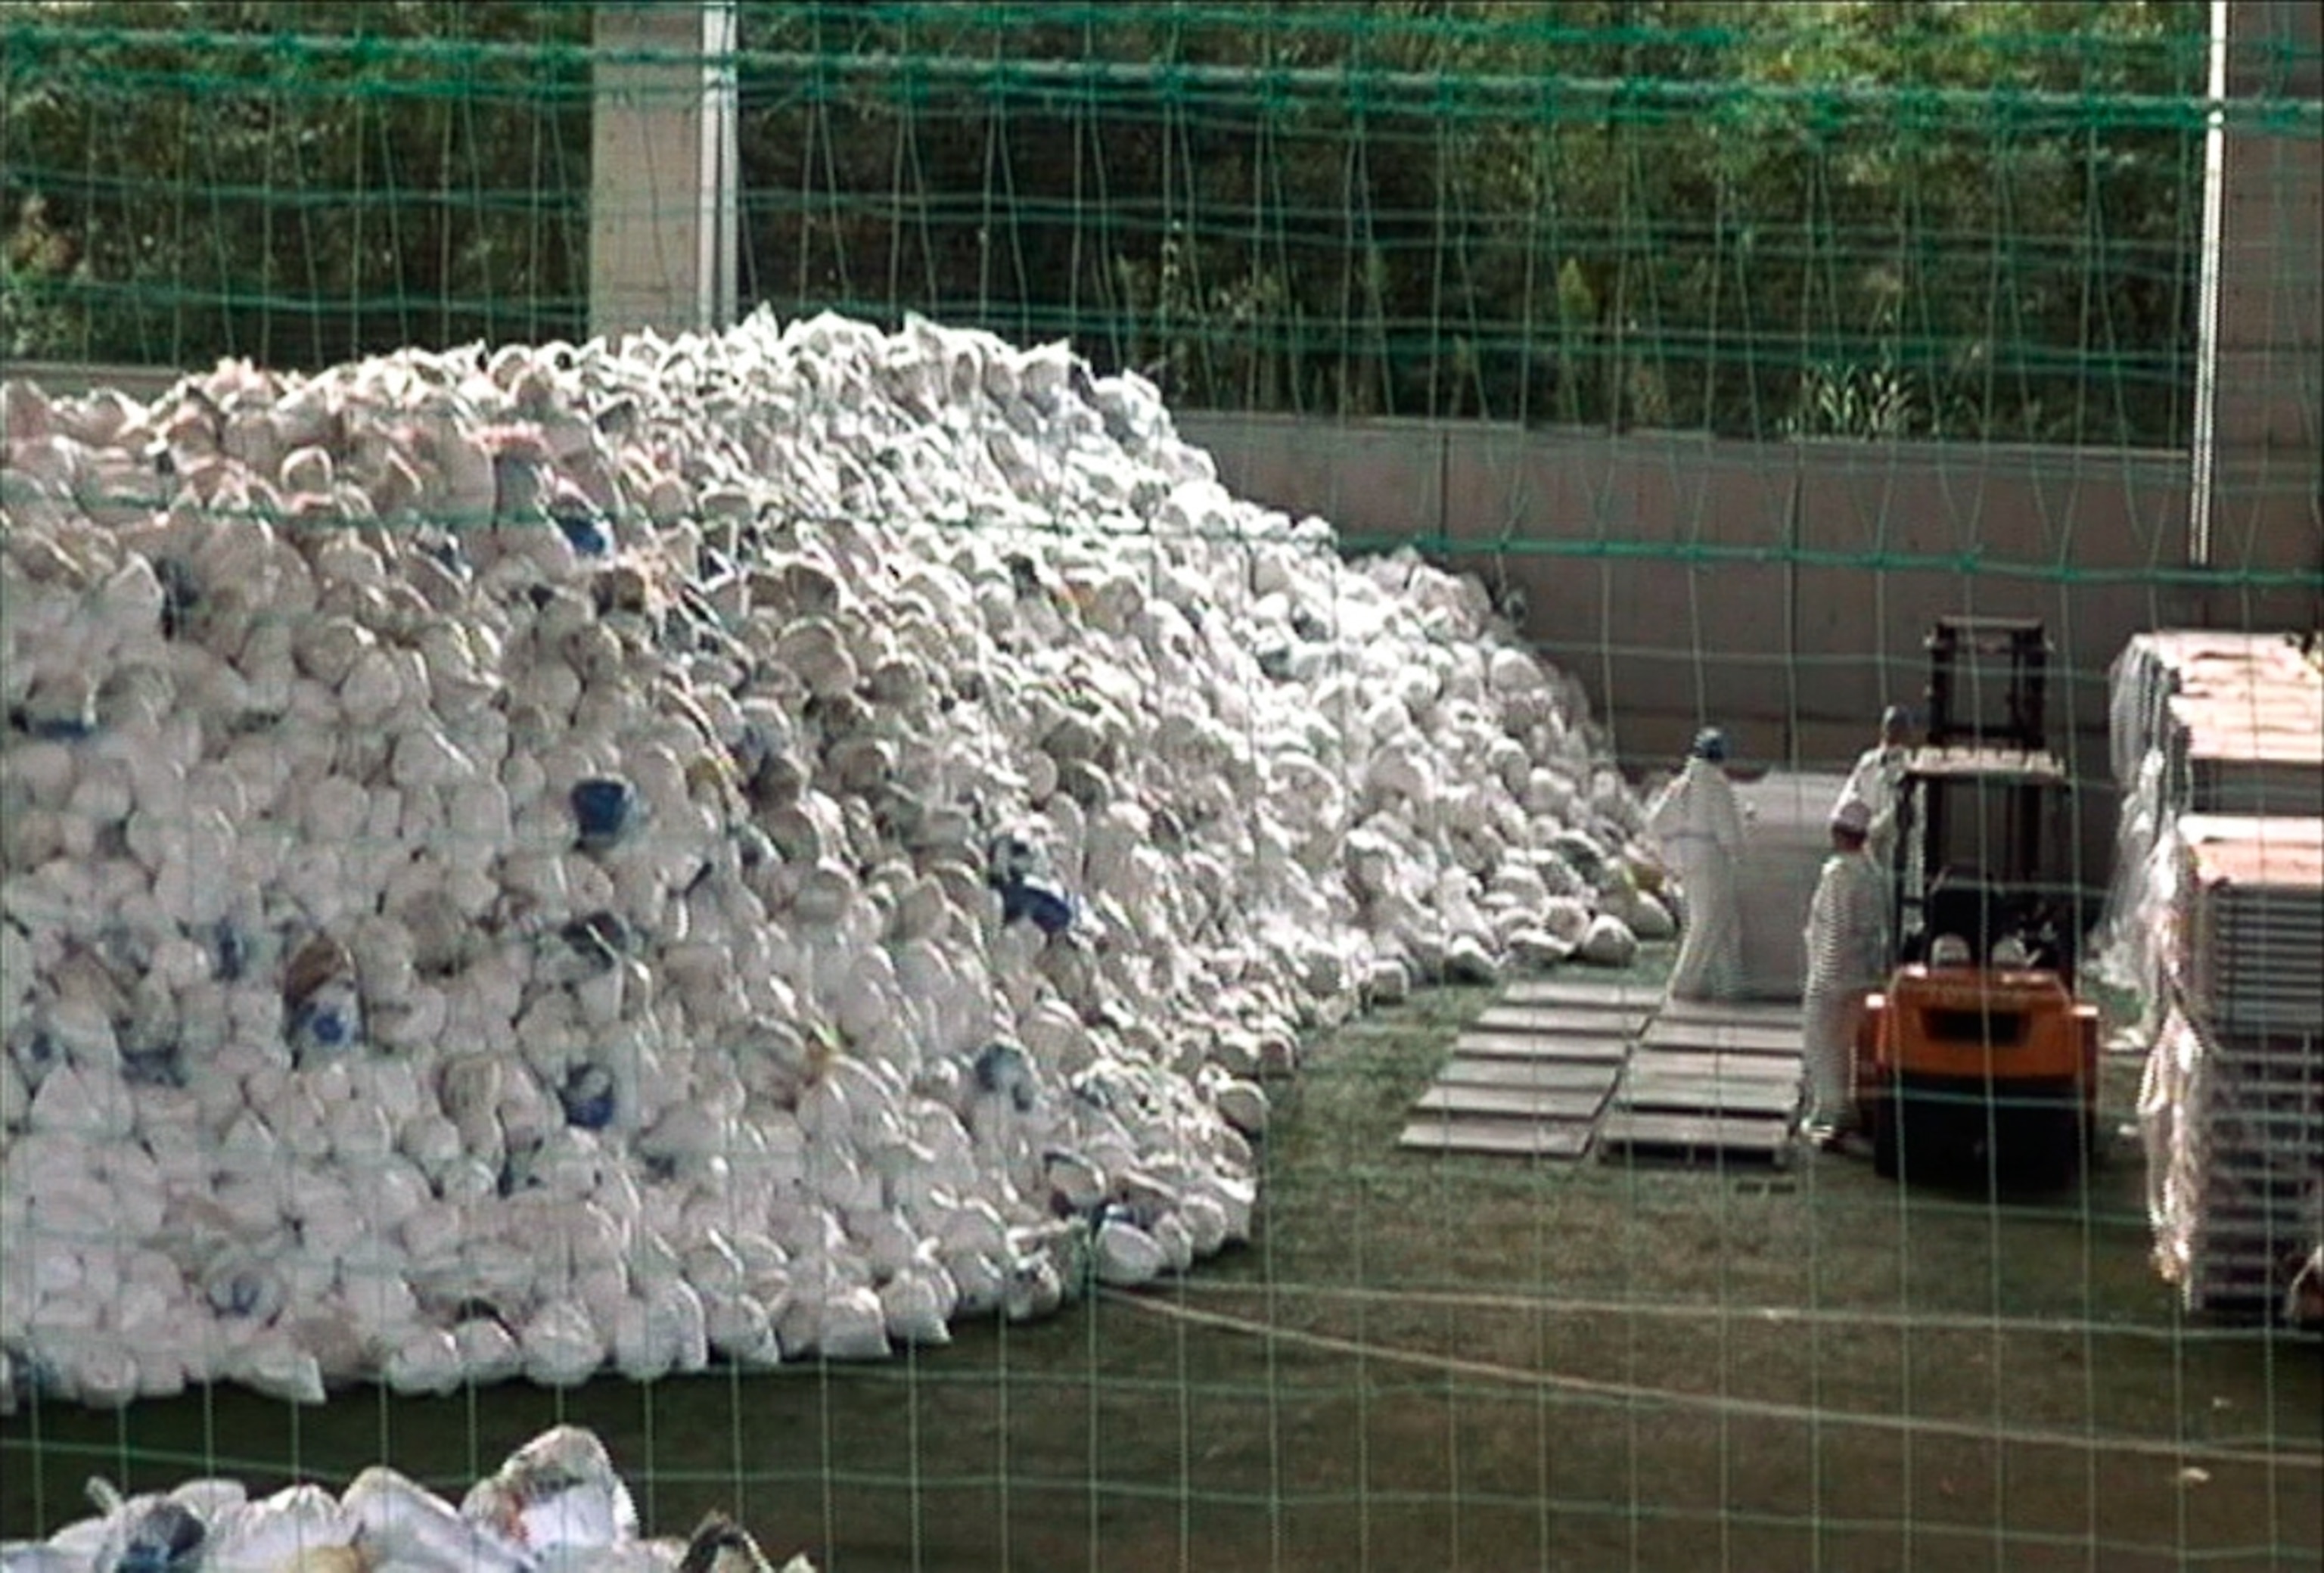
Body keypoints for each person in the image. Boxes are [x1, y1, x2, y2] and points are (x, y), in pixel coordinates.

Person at [1800, 797, 1890, 1146]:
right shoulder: (1871, 872)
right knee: (1847, 1047)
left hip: (1834, 978)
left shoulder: (1839, 874)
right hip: (1861, 976)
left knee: (1824, 1047)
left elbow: (1836, 930)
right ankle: (1847, 1109)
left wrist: (1825, 978)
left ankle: (1828, 1118)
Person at [1647, 727, 1749, 1001]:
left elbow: (1656, 823)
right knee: (1706, 925)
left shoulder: (1680, 785)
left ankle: (1729, 985)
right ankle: (1683, 985)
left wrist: (1672, 850)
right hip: (1710, 859)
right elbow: (1729, 832)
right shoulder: (1716, 785)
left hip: (1685, 859)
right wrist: (1740, 849)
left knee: (1721, 924)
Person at [1835, 704, 1915, 869]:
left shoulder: (1912, 768)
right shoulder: (1868, 762)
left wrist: (1876, 829)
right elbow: (1852, 792)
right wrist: (1846, 824)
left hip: (1894, 845)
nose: (1892, 731)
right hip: (1862, 842)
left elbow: (1905, 808)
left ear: (1907, 733)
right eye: (1889, 725)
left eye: (1898, 726)